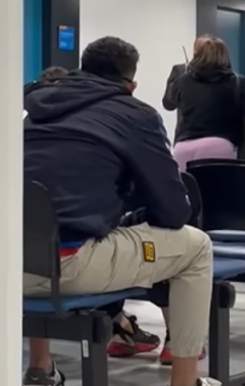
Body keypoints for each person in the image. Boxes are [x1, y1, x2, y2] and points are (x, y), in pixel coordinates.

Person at [22, 36, 218, 386]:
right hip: (71, 266)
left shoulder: (32, 110)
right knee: (197, 247)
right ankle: (186, 381)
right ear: (131, 85)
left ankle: (40, 367)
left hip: (8, 267)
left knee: (39, 228)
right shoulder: (135, 114)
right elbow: (173, 211)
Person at [167, 35, 245, 170]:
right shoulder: (237, 83)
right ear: (225, 57)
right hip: (218, 146)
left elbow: (168, 102)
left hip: (182, 148)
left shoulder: (183, 81)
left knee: (186, 184)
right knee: (217, 184)